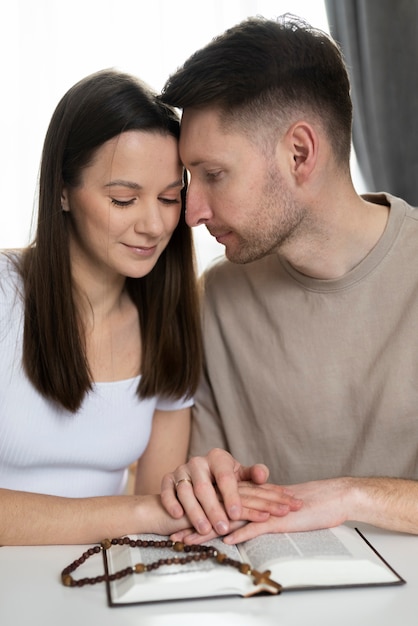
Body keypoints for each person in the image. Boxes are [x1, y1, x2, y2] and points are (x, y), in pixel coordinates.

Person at [159, 14, 418, 544]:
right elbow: (201, 483)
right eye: (189, 179)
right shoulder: (219, 298)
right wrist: (198, 483)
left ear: (299, 153)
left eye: (213, 175)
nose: (192, 211)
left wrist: (350, 495)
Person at [0, 68, 205, 546]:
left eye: (170, 198)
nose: (154, 225)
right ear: (64, 191)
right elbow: (149, 511)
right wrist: (139, 510)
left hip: (100, 587)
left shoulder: (170, 316)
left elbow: (160, 513)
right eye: (124, 199)